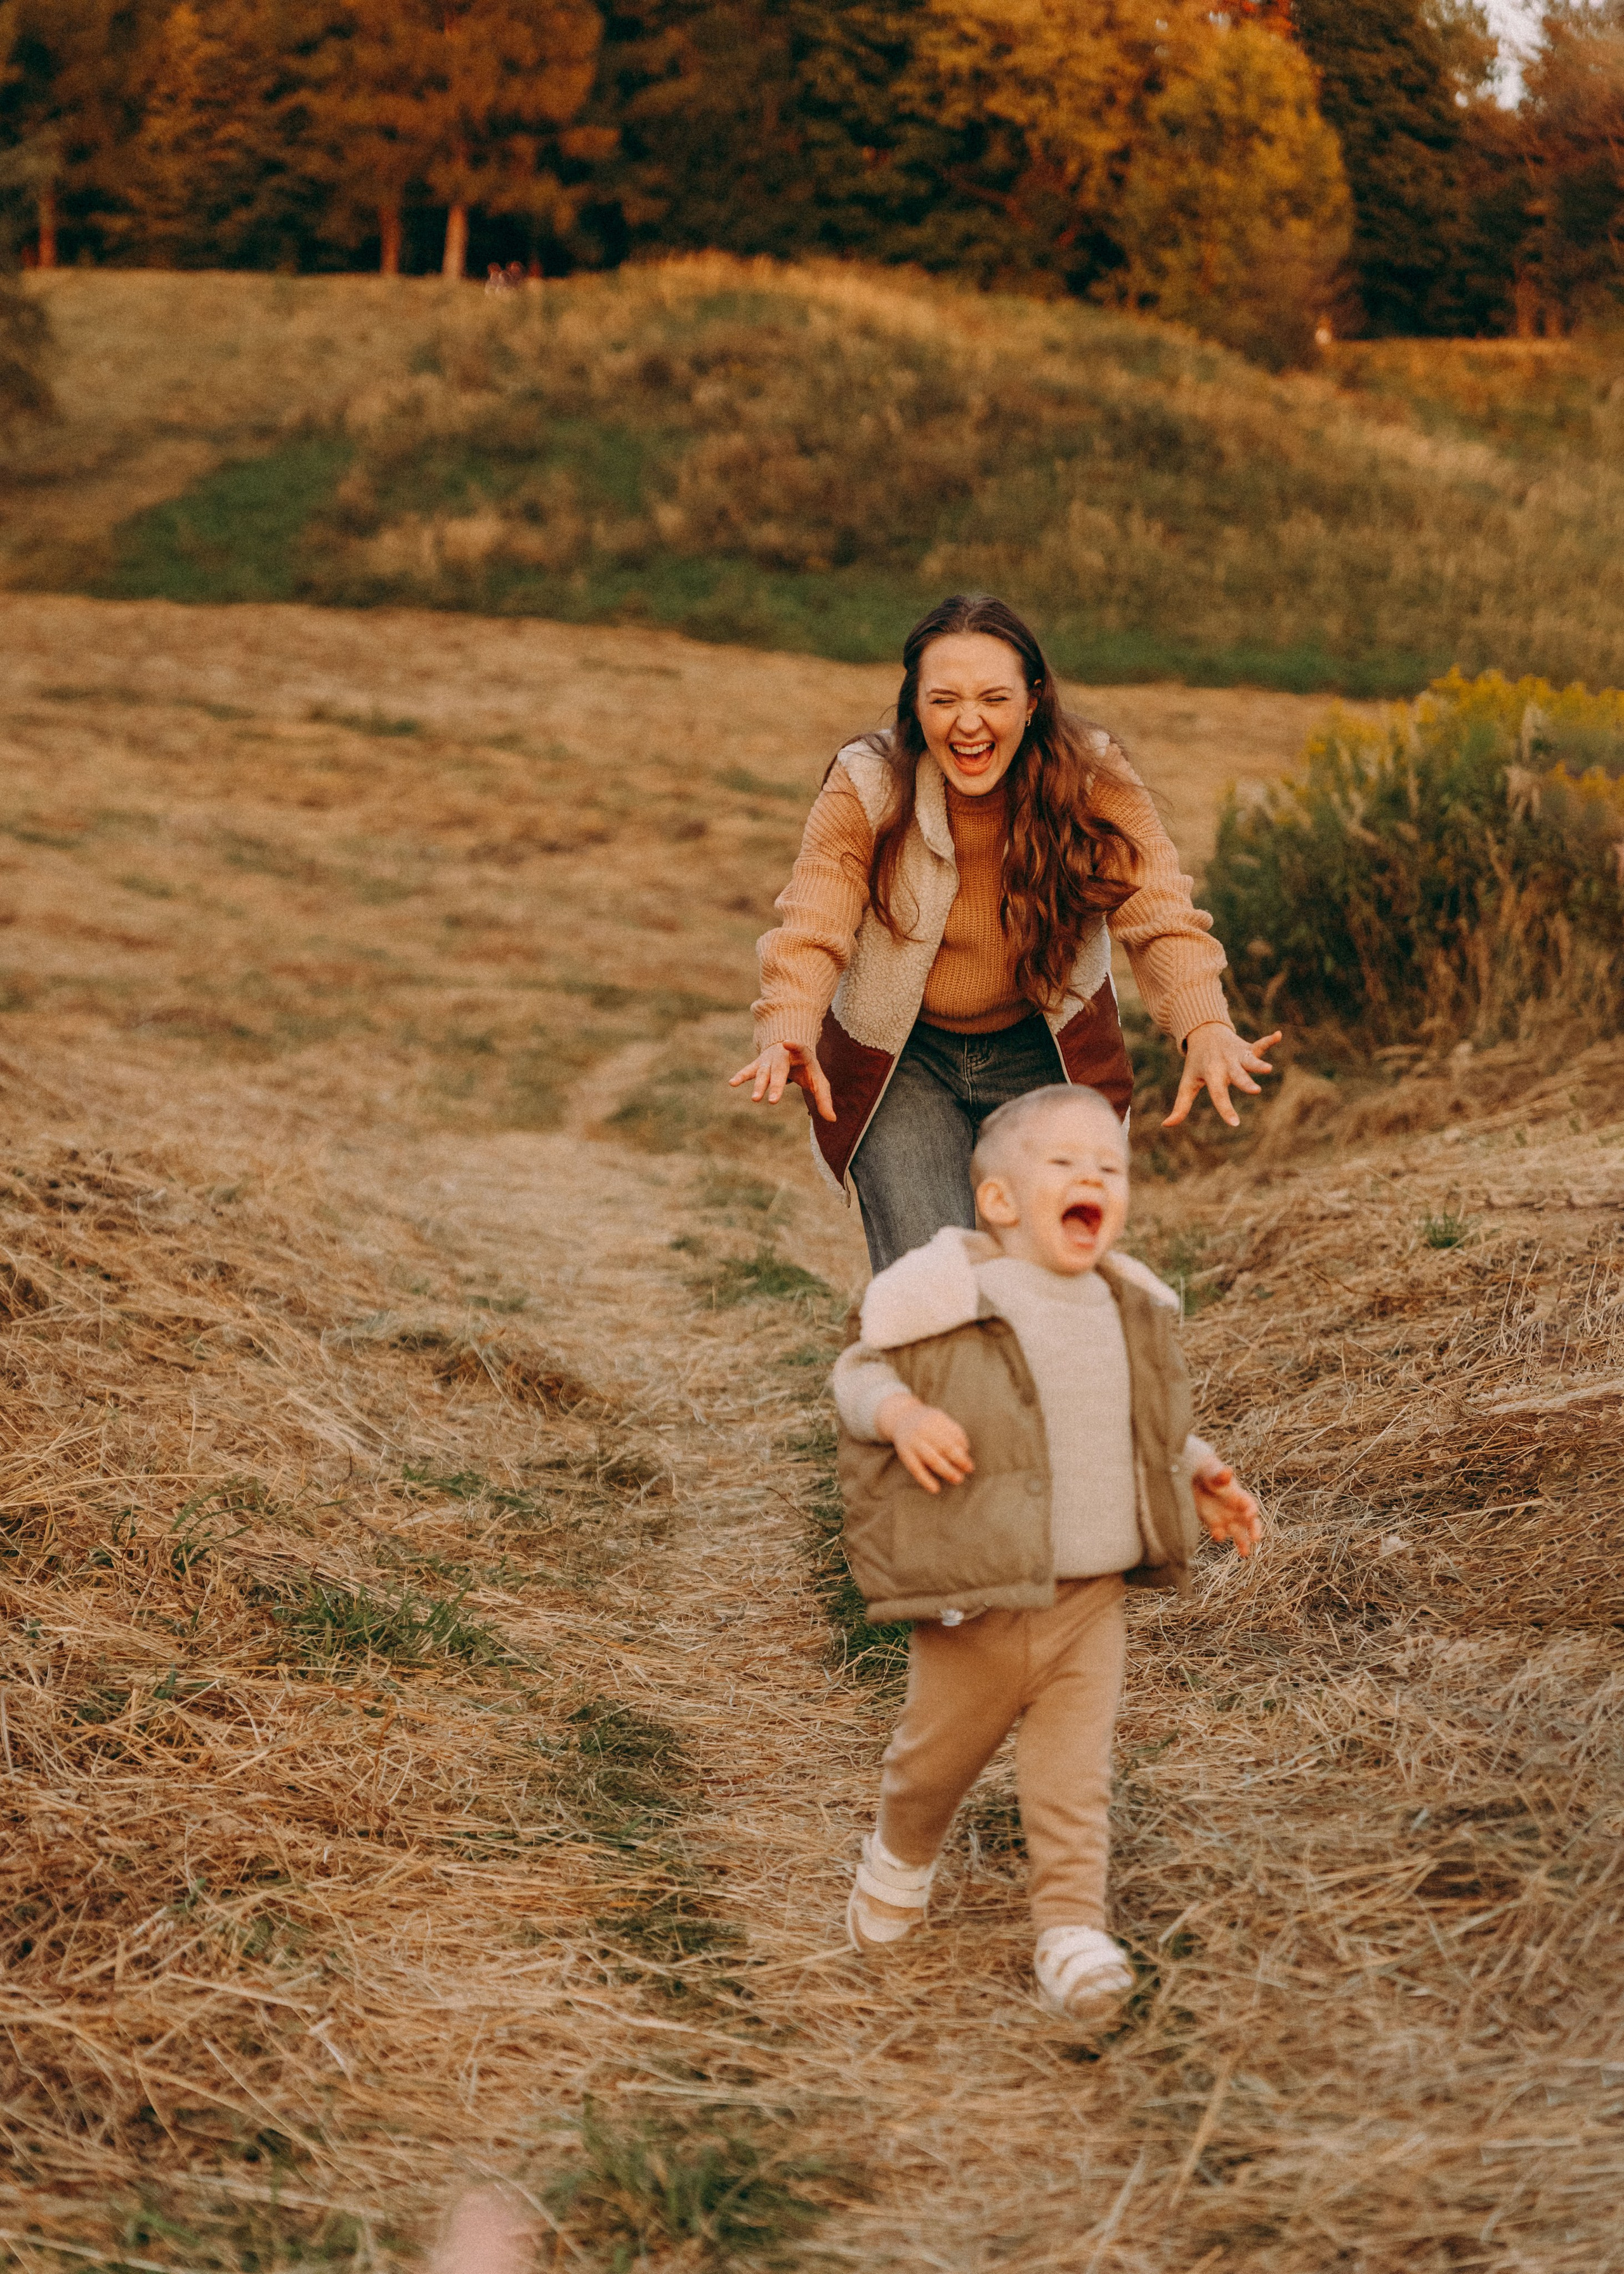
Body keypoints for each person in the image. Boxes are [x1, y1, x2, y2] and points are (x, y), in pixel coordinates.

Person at [832, 1082, 1261, 2020]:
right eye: (1066, 1165)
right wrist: (901, 1414)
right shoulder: (954, 1293)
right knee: (932, 1767)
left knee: (1074, 1781)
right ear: (999, 1201)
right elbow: (859, 1372)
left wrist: (1196, 1470)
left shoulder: (1124, 1302)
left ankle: (1071, 1931)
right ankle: (899, 1862)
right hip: (979, 1599)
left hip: (1088, 1602)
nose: (1094, 1180)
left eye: (1111, 1167)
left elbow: (1139, 1423)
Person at [730, 593, 1280, 1272]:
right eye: (943, 700)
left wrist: (1205, 1025)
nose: (968, 723)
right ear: (914, 704)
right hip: (905, 1061)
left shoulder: (1090, 777)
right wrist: (789, 1019)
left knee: (1044, 1276)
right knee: (932, 1278)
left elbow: (1158, 909)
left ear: (1032, 699)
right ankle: (927, 1376)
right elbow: (815, 916)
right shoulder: (867, 782)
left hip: (1041, 1055)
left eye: (992, 698)